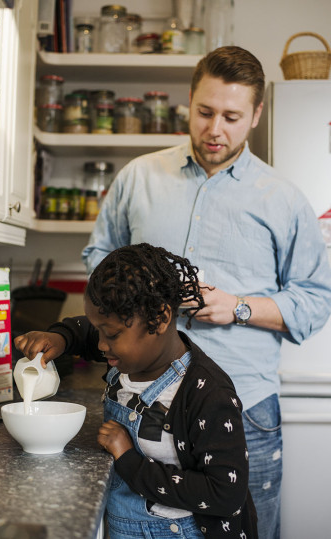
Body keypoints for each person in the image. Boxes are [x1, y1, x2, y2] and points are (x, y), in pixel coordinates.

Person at [81, 46, 331, 539]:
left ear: (256, 115)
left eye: (233, 116)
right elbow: (97, 259)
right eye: (205, 112)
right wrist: (141, 293)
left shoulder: (283, 199)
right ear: (189, 102)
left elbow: (317, 298)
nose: (216, 129)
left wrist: (236, 307)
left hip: (245, 410)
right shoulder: (138, 178)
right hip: (137, 406)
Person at [14, 243, 258, 539]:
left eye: (112, 334)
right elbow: (85, 332)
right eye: (98, 330)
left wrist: (129, 460)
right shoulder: (126, 354)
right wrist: (60, 338)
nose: (102, 345)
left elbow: (224, 493)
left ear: (160, 318)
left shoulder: (206, 393)